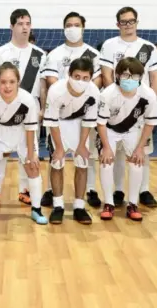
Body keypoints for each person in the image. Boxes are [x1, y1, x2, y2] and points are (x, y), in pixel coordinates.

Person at [0, 62, 47, 225]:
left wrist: (31, 155)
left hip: (22, 135)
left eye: (12, 82)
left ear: (18, 82)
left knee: (33, 167)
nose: (7, 86)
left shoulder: (27, 100)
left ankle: (36, 209)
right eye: (3, 82)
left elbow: (31, 128)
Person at [100, 6, 157, 208]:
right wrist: (118, 98)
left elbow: (155, 78)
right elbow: (107, 74)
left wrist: (148, 104)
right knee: (115, 153)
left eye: (131, 21)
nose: (128, 25)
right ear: (118, 24)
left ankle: (143, 190)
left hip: (140, 106)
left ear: (137, 22)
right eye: (124, 21)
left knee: (142, 151)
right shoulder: (109, 45)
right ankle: (117, 191)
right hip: (117, 105)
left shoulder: (148, 47)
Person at [41, 11, 103, 208]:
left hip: (83, 114)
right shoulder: (55, 54)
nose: (73, 28)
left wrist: (82, 92)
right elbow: (51, 80)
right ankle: (53, 193)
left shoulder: (93, 54)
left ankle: (88, 192)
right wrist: (70, 93)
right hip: (59, 112)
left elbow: (98, 79)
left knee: (84, 155)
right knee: (56, 157)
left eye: (77, 24)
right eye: (69, 25)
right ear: (63, 28)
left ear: (83, 27)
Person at [0, 9, 47, 205]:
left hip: (30, 112)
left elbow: (44, 84)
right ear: (12, 26)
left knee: (28, 151)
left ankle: (25, 190)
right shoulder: (1, 52)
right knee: (0, 152)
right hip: (3, 110)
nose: (25, 27)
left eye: (28, 23)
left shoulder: (39, 54)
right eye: (20, 23)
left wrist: (43, 109)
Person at [96, 57, 157, 221]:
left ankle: (132, 203)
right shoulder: (107, 94)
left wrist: (140, 148)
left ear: (141, 77)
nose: (129, 80)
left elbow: (150, 123)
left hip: (133, 130)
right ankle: (109, 203)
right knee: (106, 162)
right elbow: (101, 123)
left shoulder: (148, 94)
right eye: (125, 75)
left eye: (134, 76)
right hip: (109, 129)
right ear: (117, 75)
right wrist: (107, 147)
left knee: (137, 162)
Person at [43, 57, 100, 224]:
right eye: (77, 76)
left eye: (85, 78)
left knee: (82, 162)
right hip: (58, 124)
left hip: (79, 125)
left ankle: (79, 207)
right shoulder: (56, 90)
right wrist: (59, 148)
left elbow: (89, 121)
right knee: (57, 163)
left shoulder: (94, 92)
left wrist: (82, 145)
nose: (80, 81)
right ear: (69, 74)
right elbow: (51, 121)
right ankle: (58, 205)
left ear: (90, 78)